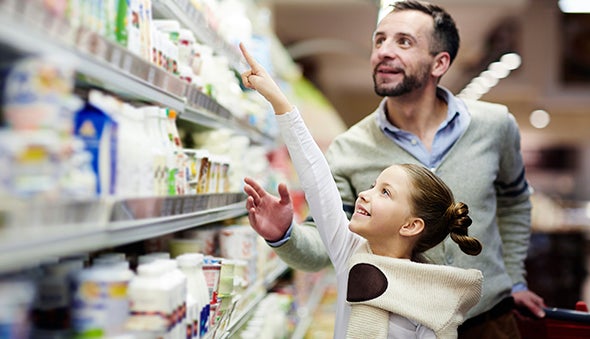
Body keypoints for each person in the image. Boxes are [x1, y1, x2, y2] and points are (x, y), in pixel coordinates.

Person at [244, 1, 546, 338]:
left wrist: (516, 279)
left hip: (491, 319)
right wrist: (285, 234)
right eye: (378, 40)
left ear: (439, 62)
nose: (383, 51)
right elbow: (323, 224)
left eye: (403, 41)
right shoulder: (350, 148)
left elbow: (516, 203)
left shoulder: (496, 126)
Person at [239, 41, 484, 339]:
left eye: (385, 192)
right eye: (372, 186)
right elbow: (318, 179)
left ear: (411, 225)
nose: (365, 194)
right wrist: (279, 101)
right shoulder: (351, 252)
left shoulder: (432, 302)